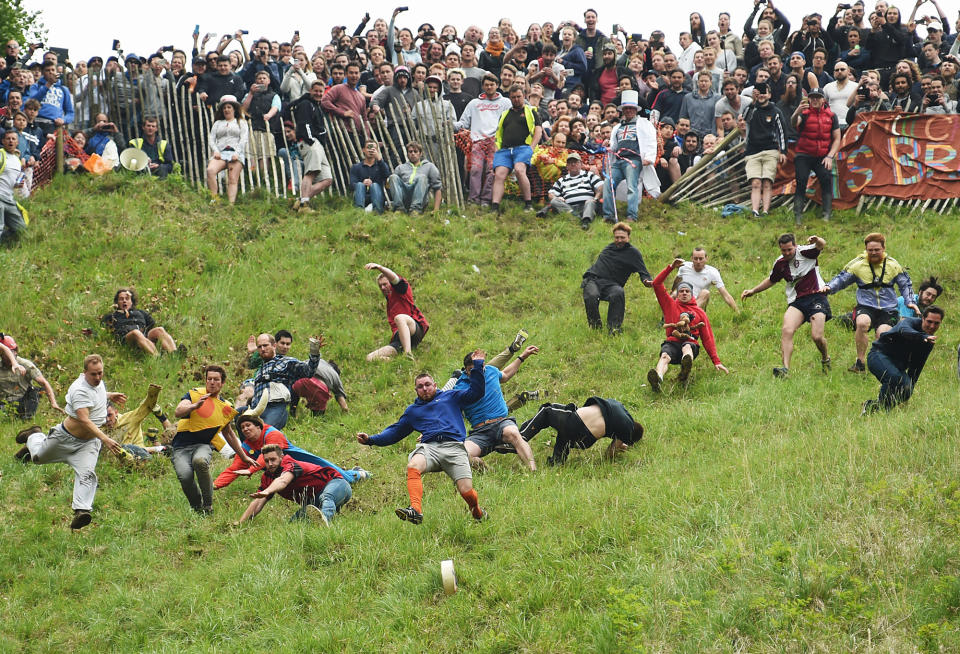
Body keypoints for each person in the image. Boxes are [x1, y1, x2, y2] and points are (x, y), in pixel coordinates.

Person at [356, 350, 488, 525]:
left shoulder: (451, 397)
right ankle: (416, 510)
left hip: (454, 447)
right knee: (413, 466)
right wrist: (371, 440)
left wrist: (478, 365)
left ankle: (477, 511)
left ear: (435, 384)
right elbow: (395, 431)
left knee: (466, 491)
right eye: (420, 386)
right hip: (430, 448)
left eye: (427, 384)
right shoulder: (413, 411)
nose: (425, 389)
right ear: (416, 390)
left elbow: (476, 392)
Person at [14, 354, 125, 530]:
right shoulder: (79, 390)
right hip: (65, 439)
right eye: (94, 374)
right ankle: (33, 436)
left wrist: (110, 394)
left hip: (88, 443)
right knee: (37, 458)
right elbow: (85, 421)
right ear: (84, 373)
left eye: (100, 373)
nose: (98, 377)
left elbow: (97, 394)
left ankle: (81, 511)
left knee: (87, 473)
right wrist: (106, 438)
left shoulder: (98, 384)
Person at [822, 232, 917, 373]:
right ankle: (860, 363)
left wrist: (909, 301)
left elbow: (905, 284)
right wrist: (829, 287)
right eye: (870, 250)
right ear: (866, 249)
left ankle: (879, 364)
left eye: (877, 250)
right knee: (862, 323)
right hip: (866, 306)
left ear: (883, 248)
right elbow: (842, 279)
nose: (873, 253)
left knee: (882, 334)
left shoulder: (893, 265)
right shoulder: (858, 264)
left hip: (888, 308)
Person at [741, 234, 831, 378]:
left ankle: (825, 358)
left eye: (789, 249)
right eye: (784, 251)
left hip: (816, 296)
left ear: (795, 246)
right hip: (797, 301)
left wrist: (818, 239)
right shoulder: (780, 263)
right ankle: (785, 369)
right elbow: (772, 280)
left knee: (817, 337)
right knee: (787, 330)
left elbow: (822, 245)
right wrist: (753, 291)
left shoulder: (805, 252)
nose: (787, 253)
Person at [170, 365, 255, 514]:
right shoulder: (194, 394)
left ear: (222, 383)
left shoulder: (225, 407)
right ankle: (197, 508)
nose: (212, 382)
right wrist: (194, 406)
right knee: (185, 477)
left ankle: (208, 506)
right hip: (181, 447)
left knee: (200, 461)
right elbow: (178, 411)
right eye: (209, 379)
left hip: (202, 445)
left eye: (216, 379)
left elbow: (229, 433)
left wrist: (243, 456)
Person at [453, 344, 540, 471]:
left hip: (501, 424)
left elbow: (505, 374)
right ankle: (489, 472)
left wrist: (522, 357)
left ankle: (533, 471)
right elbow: (450, 411)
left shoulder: (491, 371)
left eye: (480, 367)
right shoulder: (460, 387)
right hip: (480, 432)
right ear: (465, 370)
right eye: (472, 370)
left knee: (514, 433)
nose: (477, 371)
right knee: (462, 454)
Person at [648, 258, 729, 391]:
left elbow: (707, 338)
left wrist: (716, 361)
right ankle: (658, 378)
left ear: (692, 294)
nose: (684, 293)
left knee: (687, 347)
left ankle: (686, 367)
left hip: (690, 343)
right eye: (681, 291)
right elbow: (656, 284)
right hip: (672, 342)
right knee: (664, 356)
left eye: (687, 291)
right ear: (677, 294)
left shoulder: (699, 312)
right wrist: (671, 267)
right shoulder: (669, 305)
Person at [235, 443, 353, 526]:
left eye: (273, 459)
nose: (270, 464)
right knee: (294, 523)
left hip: (338, 485)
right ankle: (329, 517)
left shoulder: (290, 464)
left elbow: (283, 480)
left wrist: (267, 491)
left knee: (326, 497)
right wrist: (241, 523)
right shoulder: (267, 477)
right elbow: (258, 501)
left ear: (281, 457)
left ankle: (325, 525)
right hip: (314, 502)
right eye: (266, 461)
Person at [862, 306, 944, 414]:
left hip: (897, 366)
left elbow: (917, 365)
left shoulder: (929, 341)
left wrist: (909, 389)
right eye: (929, 321)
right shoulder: (909, 323)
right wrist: (921, 336)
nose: (932, 326)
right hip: (878, 356)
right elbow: (904, 331)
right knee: (896, 379)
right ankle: (880, 411)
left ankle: (874, 409)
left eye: (936, 323)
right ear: (923, 318)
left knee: (906, 388)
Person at [518, 397, 643, 466]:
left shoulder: (620, 410)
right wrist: (622, 447)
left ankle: (519, 439)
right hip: (584, 439)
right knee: (564, 433)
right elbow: (610, 452)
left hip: (577, 422)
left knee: (546, 411)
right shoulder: (625, 430)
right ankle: (557, 462)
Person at [581, 221, 653, 336]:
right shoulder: (608, 249)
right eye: (617, 237)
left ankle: (614, 329)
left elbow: (643, 272)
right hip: (593, 280)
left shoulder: (633, 253)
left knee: (618, 293)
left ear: (628, 237)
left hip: (612, 285)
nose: (619, 240)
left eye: (622, 237)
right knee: (591, 296)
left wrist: (646, 281)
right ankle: (595, 328)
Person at [240, 334, 322, 430]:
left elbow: (309, 371)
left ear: (274, 346)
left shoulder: (286, 362)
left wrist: (314, 352)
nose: (262, 349)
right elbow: (244, 366)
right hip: (255, 408)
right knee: (237, 416)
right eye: (259, 347)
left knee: (264, 433)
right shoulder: (260, 366)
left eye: (265, 345)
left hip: (274, 406)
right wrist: (250, 352)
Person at [602, 90, 659, 223]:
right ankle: (608, 215)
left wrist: (649, 157)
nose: (628, 111)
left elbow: (651, 140)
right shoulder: (617, 128)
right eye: (626, 108)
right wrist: (608, 145)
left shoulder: (644, 124)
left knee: (631, 187)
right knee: (608, 183)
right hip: (619, 160)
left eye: (631, 108)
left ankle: (631, 215)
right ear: (622, 110)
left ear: (635, 110)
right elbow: (614, 145)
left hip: (633, 160)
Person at [455, 74, 511, 206]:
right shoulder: (474, 103)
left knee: (491, 170)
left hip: (495, 141)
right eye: (486, 85)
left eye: (492, 84)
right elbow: (463, 122)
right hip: (477, 141)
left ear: (497, 85)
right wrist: (451, 124)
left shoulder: (505, 102)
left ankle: (486, 199)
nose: (489, 87)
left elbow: (509, 121)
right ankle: (473, 198)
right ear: (483, 86)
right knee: (475, 169)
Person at [737, 82, 788, 217]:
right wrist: (753, 102)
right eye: (759, 92)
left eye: (764, 92)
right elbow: (745, 118)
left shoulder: (776, 111)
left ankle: (765, 210)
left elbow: (782, 132)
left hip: (770, 150)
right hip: (752, 151)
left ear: (769, 95)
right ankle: (755, 210)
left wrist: (783, 151)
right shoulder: (752, 109)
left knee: (767, 182)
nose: (761, 95)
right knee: (755, 182)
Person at [790, 88, 841, 223]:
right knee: (801, 181)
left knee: (826, 179)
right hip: (804, 154)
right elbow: (793, 123)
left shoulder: (831, 116)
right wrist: (797, 111)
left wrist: (830, 156)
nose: (815, 100)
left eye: (818, 97)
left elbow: (837, 138)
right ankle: (798, 215)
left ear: (823, 99)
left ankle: (827, 214)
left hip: (822, 155)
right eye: (812, 97)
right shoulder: (804, 114)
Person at [490, 84, 542, 213]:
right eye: (513, 97)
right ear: (510, 98)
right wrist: (497, 149)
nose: (516, 99)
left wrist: (532, 147)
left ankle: (528, 204)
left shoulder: (531, 111)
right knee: (499, 175)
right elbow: (499, 133)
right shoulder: (505, 114)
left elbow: (538, 130)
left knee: (519, 170)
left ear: (524, 96)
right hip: (505, 150)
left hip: (523, 148)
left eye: (519, 96)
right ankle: (495, 206)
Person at [364, 262, 429, 361]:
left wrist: (379, 267)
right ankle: (399, 361)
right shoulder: (389, 300)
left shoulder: (402, 289)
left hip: (414, 329)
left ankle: (408, 354)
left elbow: (394, 278)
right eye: (380, 286)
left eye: (385, 284)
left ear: (391, 283)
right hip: (399, 339)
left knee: (399, 318)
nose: (382, 288)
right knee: (370, 358)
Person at [288, 81, 334, 212]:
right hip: (310, 142)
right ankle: (304, 205)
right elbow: (304, 124)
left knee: (327, 179)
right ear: (310, 91)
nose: (319, 94)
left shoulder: (316, 106)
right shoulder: (305, 104)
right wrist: (311, 141)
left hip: (317, 144)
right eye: (316, 91)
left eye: (321, 91)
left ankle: (301, 200)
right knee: (310, 173)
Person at [100, 288, 181, 357]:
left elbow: (152, 324)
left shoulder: (140, 312)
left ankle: (174, 354)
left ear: (132, 302)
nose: (124, 301)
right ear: (117, 302)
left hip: (144, 337)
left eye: (127, 299)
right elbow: (105, 329)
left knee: (159, 329)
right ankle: (156, 357)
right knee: (136, 333)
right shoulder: (112, 315)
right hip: (127, 338)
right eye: (121, 299)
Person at [0, 334, 60, 419]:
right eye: (6, 354)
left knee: (35, 391)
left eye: (13, 351)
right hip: (5, 404)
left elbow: (44, 383)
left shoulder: (25, 365)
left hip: (23, 401)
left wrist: (53, 403)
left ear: (16, 351)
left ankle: (27, 417)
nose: (10, 355)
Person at [539, 151, 602, 229]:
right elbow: (551, 193)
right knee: (554, 201)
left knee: (590, 202)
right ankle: (576, 216)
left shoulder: (588, 175)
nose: (573, 164)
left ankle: (585, 222)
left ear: (581, 164)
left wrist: (596, 198)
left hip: (586, 205)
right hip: (570, 207)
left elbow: (600, 186)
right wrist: (557, 197)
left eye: (575, 162)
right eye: (570, 163)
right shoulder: (562, 180)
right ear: (567, 166)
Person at [206, 95, 248, 205]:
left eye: (229, 107)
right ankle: (214, 198)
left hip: (235, 152)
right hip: (221, 152)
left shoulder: (241, 122)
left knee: (232, 178)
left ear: (234, 109)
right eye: (224, 108)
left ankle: (230, 204)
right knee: (210, 170)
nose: (226, 110)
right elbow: (211, 139)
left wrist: (237, 153)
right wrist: (215, 150)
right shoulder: (218, 123)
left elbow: (243, 139)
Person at [674, 247, 739, 311]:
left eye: (701, 259)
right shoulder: (684, 267)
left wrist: (737, 312)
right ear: (692, 259)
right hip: (682, 300)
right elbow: (677, 281)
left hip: (698, 303)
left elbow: (725, 295)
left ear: (706, 259)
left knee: (706, 293)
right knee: (674, 293)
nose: (698, 261)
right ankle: (666, 318)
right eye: (696, 259)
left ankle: (691, 314)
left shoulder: (712, 272)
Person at [388, 141, 442, 213]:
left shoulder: (429, 166)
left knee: (422, 177)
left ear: (420, 153)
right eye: (410, 152)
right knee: (393, 177)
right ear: (407, 154)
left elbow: (437, 188)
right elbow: (393, 185)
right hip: (404, 197)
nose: (413, 153)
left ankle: (415, 210)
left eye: (415, 151)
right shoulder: (401, 167)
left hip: (420, 198)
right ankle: (399, 209)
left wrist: (436, 209)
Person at [26, 60, 74, 136]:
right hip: (37, 122)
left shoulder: (64, 89)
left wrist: (64, 120)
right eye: (47, 70)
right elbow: (32, 102)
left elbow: (70, 112)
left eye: (53, 70)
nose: (50, 72)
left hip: (54, 124)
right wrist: (48, 85)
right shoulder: (36, 86)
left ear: (56, 71)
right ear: (42, 72)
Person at [0, 134, 26, 247]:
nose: (11, 141)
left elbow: (17, 184)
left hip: (10, 200)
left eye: (13, 139)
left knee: (21, 230)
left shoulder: (17, 160)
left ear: (17, 143)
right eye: (8, 138)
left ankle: (4, 244)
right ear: (3, 141)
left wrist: (19, 183)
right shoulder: (1, 155)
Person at [349, 140, 390, 213]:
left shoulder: (381, 165)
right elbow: (352, 185)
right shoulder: (356, 167)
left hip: (377, 196)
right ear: (363, 150)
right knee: (359, 184)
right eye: (368, 148)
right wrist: (362, 183)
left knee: (374, 185)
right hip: (361, 195)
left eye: (373, 148)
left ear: (377, 151)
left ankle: (377, 211)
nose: (371, 150)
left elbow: (387, 175)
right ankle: (359, 212)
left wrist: (379, 159)